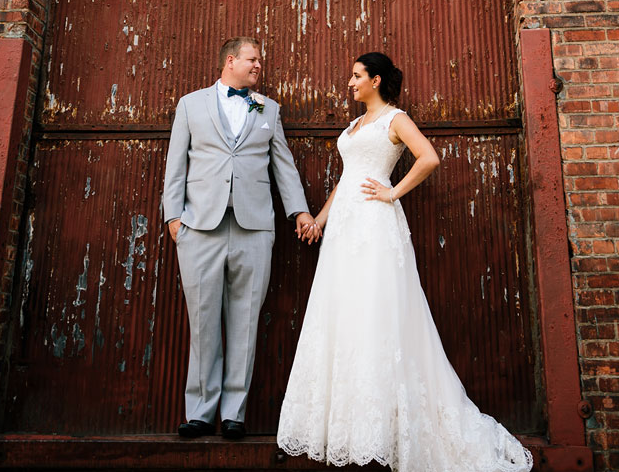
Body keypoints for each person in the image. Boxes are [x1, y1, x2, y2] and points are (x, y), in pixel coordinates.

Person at [277, 51, 532, 472]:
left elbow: (428, 157)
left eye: (356, 76)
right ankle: (350, 426)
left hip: (375, 226)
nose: (350, 82)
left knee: (377, 314)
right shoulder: (354, 126)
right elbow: (346, 178)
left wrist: (392, 193)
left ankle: (390, 428)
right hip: (343, 229)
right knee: (344, 315)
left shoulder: (394, 119)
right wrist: (319, 220)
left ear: (376, 80)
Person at [162, 35, 316, 440]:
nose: (258, 66)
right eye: (253, 59)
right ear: (231, 61)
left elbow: (283, 165)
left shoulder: (269, 109)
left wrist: (298, 210)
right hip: (200, 228)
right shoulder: (190, 105)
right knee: (204, 323)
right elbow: (175, 165)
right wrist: (174, 218)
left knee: (246, 323)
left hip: (254, 229)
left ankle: (234, 413)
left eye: (260, 61)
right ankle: (199, 412)